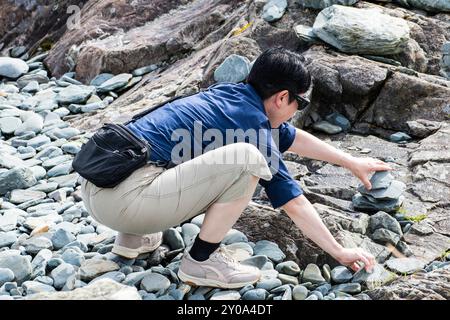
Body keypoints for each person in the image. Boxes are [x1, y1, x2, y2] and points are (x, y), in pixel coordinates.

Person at [80, 47, 391, 289]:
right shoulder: (251, 125)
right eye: (301, 103)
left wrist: (350, 162)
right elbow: (291, 200)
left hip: (100, 187)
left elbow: (287, 136)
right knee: (247, 161)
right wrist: (340, 252)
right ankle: (201, 261)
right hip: (126, 201)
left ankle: (134, 237)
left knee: (183, 156)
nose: (298, 111)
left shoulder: (228, 97)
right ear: (283, 97)